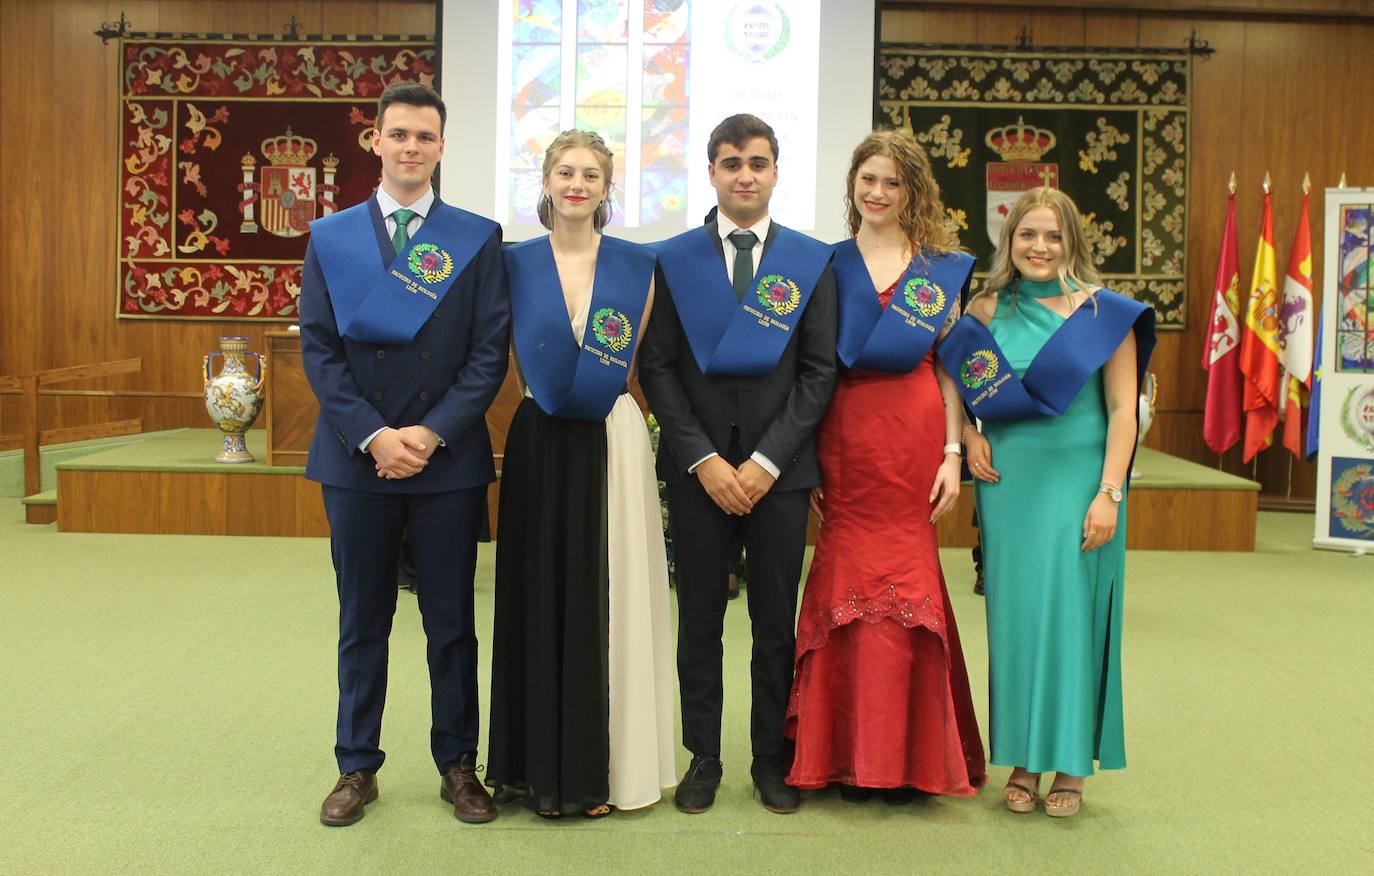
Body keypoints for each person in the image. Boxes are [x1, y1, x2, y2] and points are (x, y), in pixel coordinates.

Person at [300, 82, 510, 827]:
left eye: (425, 136)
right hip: (357, 463)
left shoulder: (477, 238)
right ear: (377, 142)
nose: (412, 147)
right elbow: (320, 354)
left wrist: (430, 434)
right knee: (364, 620)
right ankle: (356, 766)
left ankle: (459, 764)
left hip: (447, 463)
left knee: (452, 622)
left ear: (443, 147)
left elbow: (488, 355)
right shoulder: (331, 238)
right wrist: (376, 437)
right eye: (399, 135)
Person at [639, 113, 838, 815]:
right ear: (712, 171)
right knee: (697, 621)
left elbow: (818, 374)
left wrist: (762, 461)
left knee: (773, 625)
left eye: (757, 162)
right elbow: (657, 368)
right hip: (699, 478)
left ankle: (767, 758)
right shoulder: (674, 259)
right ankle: (704, 756)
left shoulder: (811, 261)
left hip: (778, 476)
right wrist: (702, 459)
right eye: (731, 163)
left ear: (776, 171)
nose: (745, 175)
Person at [939, 187, 1155, 818]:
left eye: (1052, 236)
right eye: (1027, 234)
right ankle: (1024, 758)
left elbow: (1123, 412)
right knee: (1017, 618)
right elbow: (955, 384)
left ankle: (1068, 765)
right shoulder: (984, 306)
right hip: (1010, 488)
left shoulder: (1102, 315)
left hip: (1082, 484)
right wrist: (969, 433)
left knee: (1070, 618)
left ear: (1072, 244)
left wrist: (1110, 493)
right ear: (1009, 242)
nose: (1039, 247)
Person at [785, 129, 986, 801]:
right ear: (853, 185)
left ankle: (909, 756)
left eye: (891, 182)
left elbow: (954, 370)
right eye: (867, 179)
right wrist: (807, 456)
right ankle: (843, 751)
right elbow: (808, 366)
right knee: (846, 575)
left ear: (912, 191)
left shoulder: (938, 267)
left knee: (907, 578)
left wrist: (954, 452)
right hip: (843, 435)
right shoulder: (823, 262)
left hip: (916, 432)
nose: (877, 192)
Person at [486, 130, 675, 818]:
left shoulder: (636, 266)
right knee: (539, 592)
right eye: (564, 172)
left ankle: (601, 770)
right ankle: (532, 767)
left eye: (590, 174)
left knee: (611, 592)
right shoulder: (515, 263)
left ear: (606, 188)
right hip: (538, 435)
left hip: (611, 435)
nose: (576, 184)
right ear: (545, 180)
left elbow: (633, 365)